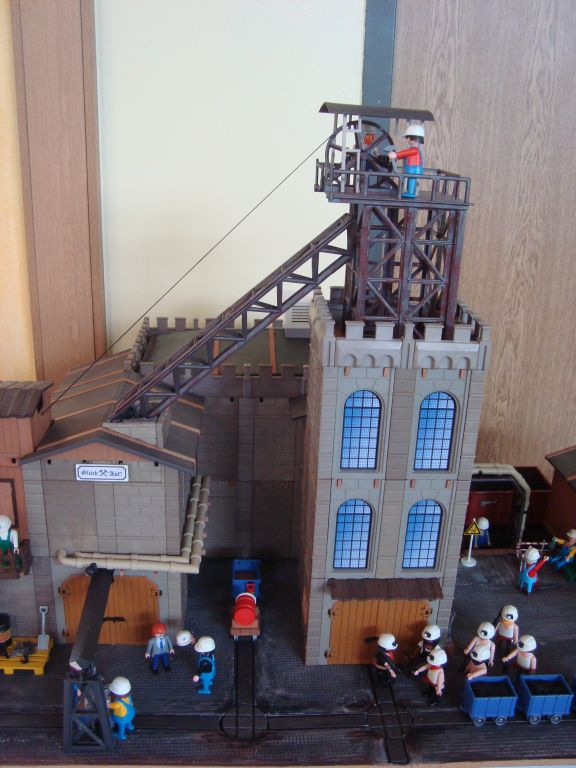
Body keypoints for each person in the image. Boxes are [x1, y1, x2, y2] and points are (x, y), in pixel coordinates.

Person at [387, 123, 425, 198]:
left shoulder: (414, 150)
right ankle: (409, 191)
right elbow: (405, 154)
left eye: (408, 137)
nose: (407, 139)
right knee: (410, 180)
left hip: (413, 169)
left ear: (413, 138)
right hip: (411, 168)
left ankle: (410, 193)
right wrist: (397, 156)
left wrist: (396, 155)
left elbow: (406, 153)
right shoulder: (414, 149)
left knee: (412, 180)